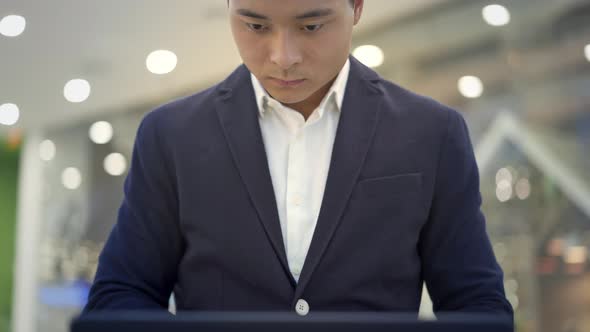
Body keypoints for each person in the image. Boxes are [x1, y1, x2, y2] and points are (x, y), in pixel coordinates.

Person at [84, 0, 513, 317]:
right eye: (254, 25)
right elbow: (121, 295)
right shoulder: (171, 135)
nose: (282, 56)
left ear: (357, 7)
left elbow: (475, 303)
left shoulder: (431, 133)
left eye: (311, 26)